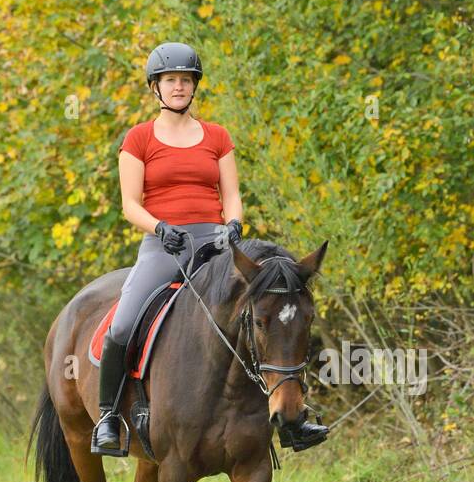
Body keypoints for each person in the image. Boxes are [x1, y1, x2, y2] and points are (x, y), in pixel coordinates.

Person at [94, 42, 326, 455]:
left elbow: (231, 193)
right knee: (123, 325)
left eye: (186, 80)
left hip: (216, 246)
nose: (179, 86)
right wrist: (160, 227)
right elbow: (130, 203)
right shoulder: (139, 139)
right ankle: (109, 416)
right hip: (163, 245)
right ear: (156, 88)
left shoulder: (217, 136)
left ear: (194, 86)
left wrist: (233, 223)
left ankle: (294, 419)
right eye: (171, 80)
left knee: (272, 314)